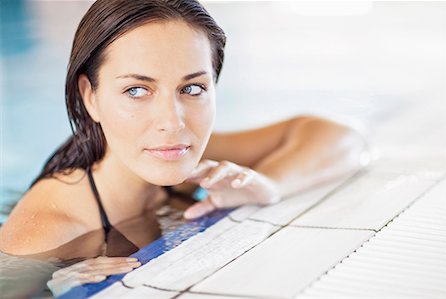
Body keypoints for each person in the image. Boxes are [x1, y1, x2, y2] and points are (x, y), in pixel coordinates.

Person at [0, 0, 369, 296]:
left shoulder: (169, 151)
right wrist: (50, 287)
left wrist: (268, 185)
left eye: (192, 88)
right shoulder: (42, 234)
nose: (173, 122)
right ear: (90, 97)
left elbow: (343, 137)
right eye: (136, 90)